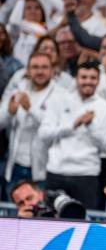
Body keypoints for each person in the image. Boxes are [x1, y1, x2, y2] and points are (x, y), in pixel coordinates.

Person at [38, 61, 106, 210]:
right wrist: (72, 125)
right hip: (56, 171)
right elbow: (44, 134)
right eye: (84, 77)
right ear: (76, 79)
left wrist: (90, 125)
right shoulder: (58, 100)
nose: (88, 81)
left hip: (87, 174)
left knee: (85, 225)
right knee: (49, 222)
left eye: (93, 78)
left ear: (99, 80)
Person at [0, 52, 59, 190]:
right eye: (35, 67)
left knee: (39, 211)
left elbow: (56, 128)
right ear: (27, 70)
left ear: (52, 70)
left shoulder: (60, 94)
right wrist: (9, 112)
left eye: (44, 67)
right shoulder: (18, 89)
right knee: (13, 210)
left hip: (43, 169)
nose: (39, 71)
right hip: (15, 165)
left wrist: (30, 108)